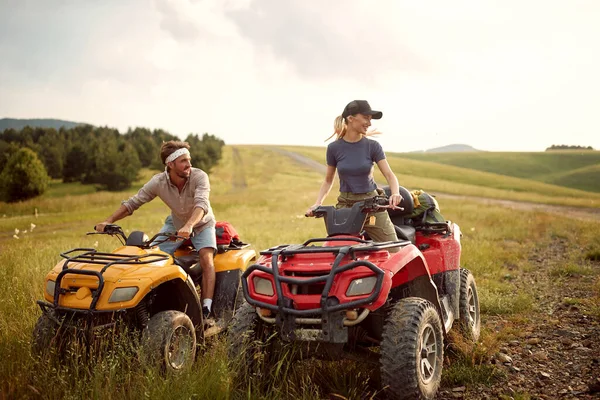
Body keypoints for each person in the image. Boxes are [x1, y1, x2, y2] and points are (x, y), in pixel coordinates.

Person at [95, 140, 217, 318]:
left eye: (189, 159)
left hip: (202, 223)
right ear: (170, 164)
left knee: (207, 259)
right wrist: (108, 220)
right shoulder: (158, 182)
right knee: (152, 257)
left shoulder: (199, 176)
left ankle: (206, 307)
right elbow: (133, 203)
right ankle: (152, 301)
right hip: (176, 224)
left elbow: (202, 204)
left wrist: (190, 225)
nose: (189, 164)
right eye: (183, 161)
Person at [306, 100, 402, 251]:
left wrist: (395, 193)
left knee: (395, 251)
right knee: (339, 254)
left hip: (371, 206)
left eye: (370, 119)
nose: (369, 123)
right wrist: (317, 203)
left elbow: (390, 175)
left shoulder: (373, 146)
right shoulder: (334, 148)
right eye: (366, 118)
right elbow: (328, 181)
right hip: (346, 205)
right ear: (351, 118)